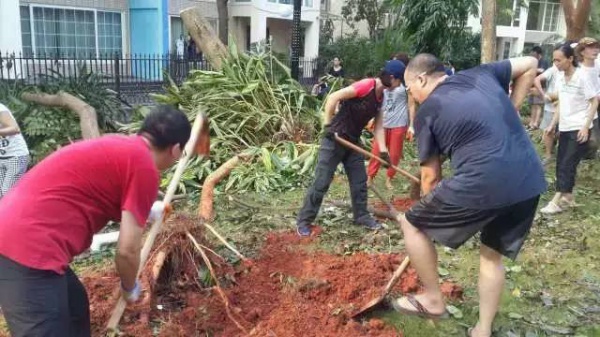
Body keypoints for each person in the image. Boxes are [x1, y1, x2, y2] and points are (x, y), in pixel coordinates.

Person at [389, 54, 546, 337]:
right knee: (491, 256)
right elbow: (531, 63)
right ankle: (482, 330)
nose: (411, 95)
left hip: (485, 179)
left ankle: (433, 300)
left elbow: (430, 178)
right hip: (529, 179)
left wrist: (427, 220)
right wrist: (512, 109)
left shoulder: (428, 111)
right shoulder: (483, 74)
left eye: (410, 89)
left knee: (411, 223)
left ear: (422, 79)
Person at [0, 105, 192, 337]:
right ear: (175, 149)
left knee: (74, 309)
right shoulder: (144, 167)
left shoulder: (122, 145)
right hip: (27, 246)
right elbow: (127, 251)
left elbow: (99, 190)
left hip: (18, 228)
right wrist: (129, 287)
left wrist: (147, 210)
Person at [296, 61, 405, 236]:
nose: (399, 85)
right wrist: (328, 125)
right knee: (322, 181)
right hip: (334, 139)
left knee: (359, 181)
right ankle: (304, 221)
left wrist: (383, 151)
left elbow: (378, 126)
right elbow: (333, 98)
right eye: (399, 81)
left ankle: (361, 215)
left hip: (352, 141)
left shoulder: (381, 96)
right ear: (392, 78)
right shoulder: (365, 86)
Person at [540, 43, 599, 215]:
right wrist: (552, 125)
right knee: (562, 162)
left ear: (570, 59)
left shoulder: (582, 76)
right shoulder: (560, 77)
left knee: (567, 163)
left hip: (579, 127)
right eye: (554, 60)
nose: (556, 63)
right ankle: (569, 197)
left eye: (559, 60)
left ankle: (556, 201)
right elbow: (562, 104)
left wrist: (586, 127)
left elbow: (594, 100)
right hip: (565, 127)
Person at [367, 60, 416, 190]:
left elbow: (411, 105)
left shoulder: (405, 88)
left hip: (398, 125)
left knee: (394, 154)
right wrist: (372, 118)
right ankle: (370, 177)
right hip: (382, 125)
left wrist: (411, 125)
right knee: (376, 152)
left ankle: (389, 178)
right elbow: (376, 103)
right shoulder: (381, 85)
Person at [575, 37, 600, 159]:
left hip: (596, 105)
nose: (595, 50)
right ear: (582, 51)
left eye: (596, 47)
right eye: (590, 47)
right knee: (588, 140)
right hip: (584, 108)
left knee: (595, 141)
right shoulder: (579, 70)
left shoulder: (598, 64)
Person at [0, 102, 29, 199]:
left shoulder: (0, 109)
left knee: (7, 192)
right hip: (2, 157)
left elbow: (15, 129)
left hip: (16, 155)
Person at [533, 64, 559, 165]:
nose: (556, 62)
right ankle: (548, 155)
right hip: (551, 107)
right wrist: (544, 95)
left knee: (562, 132)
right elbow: (537, 79)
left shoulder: (575, 70)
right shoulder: (552, 70)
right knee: (548, 132)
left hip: (565, 107)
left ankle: (555, 149)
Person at [528, 46, 549, 129]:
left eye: (534, 53)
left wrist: (533, 69)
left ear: (538, 54)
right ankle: (531, 123)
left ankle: (536, 123)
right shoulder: (534, 61)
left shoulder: (544, 61)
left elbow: (542, 70)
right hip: (532, 86)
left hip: (540, 86)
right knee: (533, 105)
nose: (532, 55)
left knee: (538, 105)